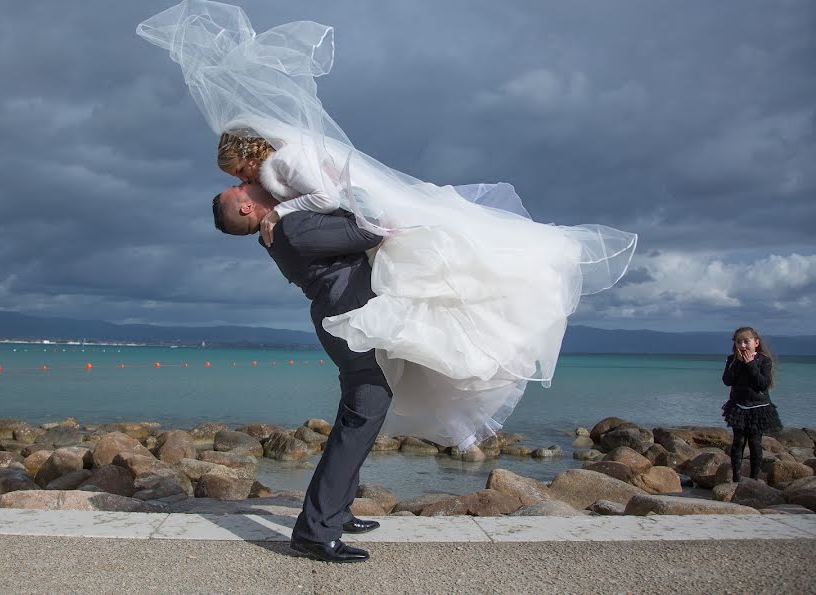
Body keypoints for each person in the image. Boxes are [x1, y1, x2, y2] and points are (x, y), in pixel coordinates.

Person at [139, 1, 638, 450]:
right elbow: (340, 217)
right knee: (445, 289)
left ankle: (327, 517)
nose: (243, 182)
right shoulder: (283, 194)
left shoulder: (279, 174)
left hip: (364, 230)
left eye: (235, 177)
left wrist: (288, 211)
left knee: (434, 302)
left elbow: (332, 200)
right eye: (237, 185)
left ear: (245, 166)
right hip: (353, 281)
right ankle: (325, 521)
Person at [213, 181, 389, 563]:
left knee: (357, 412)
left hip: (344, 315)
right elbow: (369, 229)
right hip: (348, 318)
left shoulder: (280, 226)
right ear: (245, 208)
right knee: (365, 410)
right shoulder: (291, 227)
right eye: (237, 187)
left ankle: (337, 511)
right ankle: (315, 530)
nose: (245, 183)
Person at [721, 326, 782, 482]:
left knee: (755, 443)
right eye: (738, 342)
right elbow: (727, 381)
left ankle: (754, 479)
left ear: (756, 342)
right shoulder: (732, 359)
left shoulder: (764, 360)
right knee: (738, 441)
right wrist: (738, 363)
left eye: (746, 341)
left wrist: (750, 364)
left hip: (758, 407)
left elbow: (762, 384)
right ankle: (736, 478)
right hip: (738, 406)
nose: (742, 346)